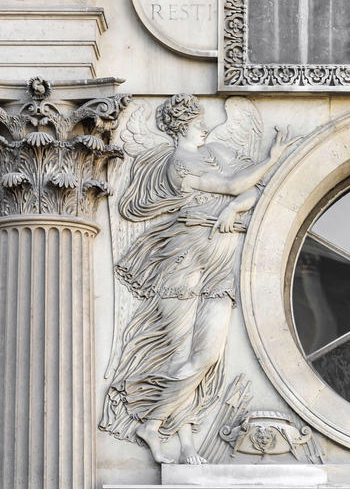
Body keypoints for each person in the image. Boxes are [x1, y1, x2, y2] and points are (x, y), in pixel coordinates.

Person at [100, 94, 295, 464]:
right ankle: (182, 441)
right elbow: (234, 185)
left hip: (220, 260)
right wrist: (270, 160)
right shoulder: (178, 164)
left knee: (206, 357)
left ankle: (154, 425)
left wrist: (233, 209)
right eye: (197, 123)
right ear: (180, 128)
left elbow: (253, 190)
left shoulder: (217, 151)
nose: (205, 127)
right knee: (180, 353)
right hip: (185, 256)